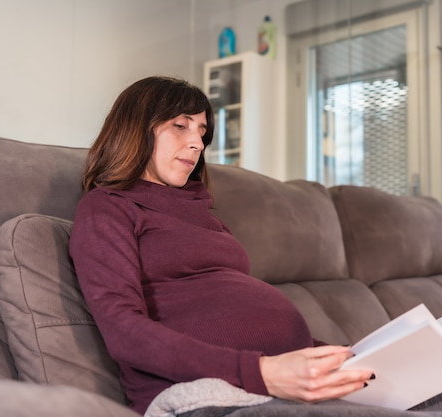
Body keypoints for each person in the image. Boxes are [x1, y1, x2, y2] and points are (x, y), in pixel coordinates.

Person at [69, 76, 374, 415]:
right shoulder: (107, 207)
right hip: (207, 393)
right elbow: (125, 331)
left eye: (201, 132)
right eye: (180, 126)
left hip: (276, 384)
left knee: (437, 395)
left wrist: (345, 361)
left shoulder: (204, 215)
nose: (197, 143)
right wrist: (261, 372)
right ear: (135, 128)